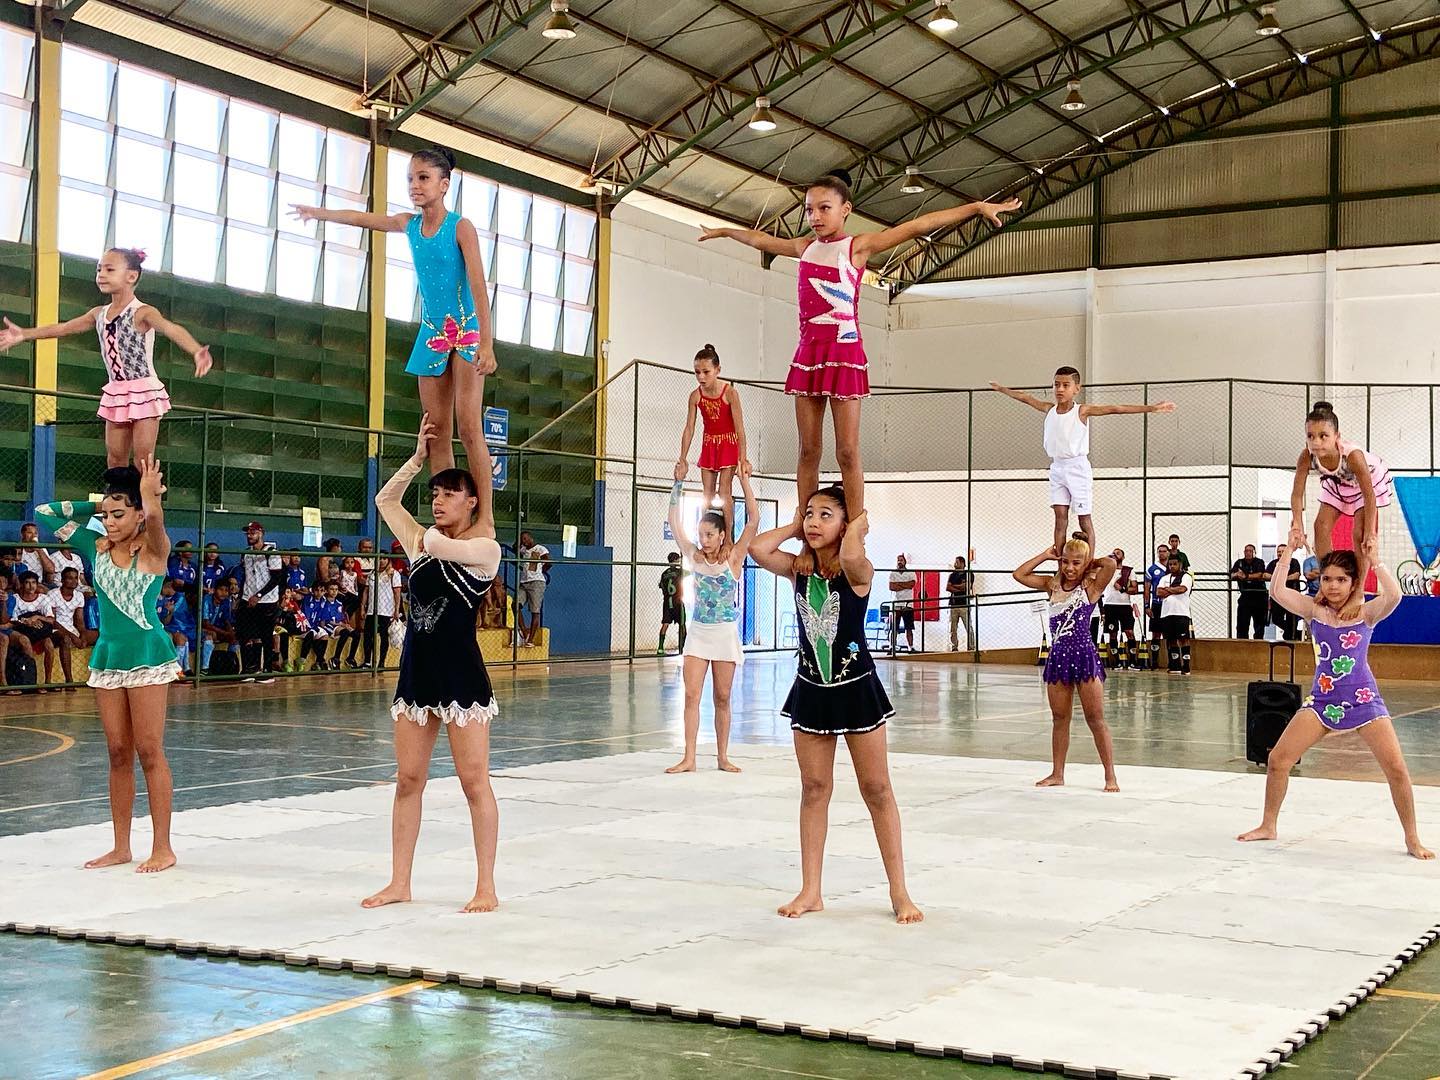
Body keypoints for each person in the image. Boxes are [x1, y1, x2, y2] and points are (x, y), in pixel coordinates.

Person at [701, 172, 1019, 515]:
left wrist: (974, 207)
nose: (816, 217)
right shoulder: (803, 248)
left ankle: (855, 523)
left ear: (845, 209)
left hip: (844, 352)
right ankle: (806, 521)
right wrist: (725, 231)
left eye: (824, 208)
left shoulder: (858, 246)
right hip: (810, 353)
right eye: (809, 210)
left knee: (847, 451)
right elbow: (761, 240)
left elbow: (917, 225)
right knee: (808, 450)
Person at [749, 487, 922, 924]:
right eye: (810, 513)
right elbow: (756, 548)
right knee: (814, 789)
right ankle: (811, 890)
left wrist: (857, 528)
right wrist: (795, 526)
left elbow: (849, 559)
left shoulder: (857, 570)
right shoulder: (798, 570)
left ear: (846, 526)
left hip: (856, 689)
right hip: (811, 690)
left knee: (877, 790)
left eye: (825, 515)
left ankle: (899, 890)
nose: (813, 521)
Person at [364, 413, 503, 914]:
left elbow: (437, 544)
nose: (438, 501)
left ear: (472, 502)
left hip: (462, 677)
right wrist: (418, 459)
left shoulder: (484, 550)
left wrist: (426, 532)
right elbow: (385, 501)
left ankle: (485, 884)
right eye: (435, 494)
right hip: (417, 674)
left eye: (449, 494)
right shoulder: (423, 541)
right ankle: (400, 880)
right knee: (407, 780)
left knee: (473, 781)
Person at [292, 148, 498, 479]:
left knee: (470, 427)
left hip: (466, 331)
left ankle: (484, 515)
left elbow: (478, 288)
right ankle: (445, 516)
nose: (414, 185)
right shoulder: (409, 224)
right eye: (410, 179)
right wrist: (319, 213)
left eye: (423, 178)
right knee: (435, 434)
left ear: (444, 184)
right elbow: (362, 218)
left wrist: (486, 343)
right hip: (433, 334)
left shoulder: (461, 228)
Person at [35, 460, 182, 872]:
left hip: (147, 654)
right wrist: (102, 503)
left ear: (138, 515)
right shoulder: (92, 544)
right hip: (109, 656)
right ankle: (120, 846)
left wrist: (148, 495)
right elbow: (44, 514)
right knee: (118, 751)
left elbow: (154, 520)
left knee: (149, 749)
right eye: (106, 516)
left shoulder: (155, 548)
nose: (109, 522)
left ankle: (163, 848)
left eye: (119, 515)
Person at [1239, 546, 1431, 860]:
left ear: (1353, 583)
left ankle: (1412, 838)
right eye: (1327, 578)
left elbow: (1394, 596)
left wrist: (1377, 560)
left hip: (1363, 700)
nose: (1332, 585)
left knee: (1396, 769)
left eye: (1341, 579)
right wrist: (1288, 552)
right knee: (1278, 760)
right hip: (1323, 701)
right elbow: (1276, 590)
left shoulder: (1366, 613)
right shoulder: (1315, 612)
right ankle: (1268, 825)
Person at [0, 250, 212, 467]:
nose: (101, 274)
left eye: (109, 269)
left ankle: (147, 500)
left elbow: (170, 328)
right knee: (115, 457)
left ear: (131, 276)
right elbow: (64, 328)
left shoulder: (143, 312)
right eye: (99, 269)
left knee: (143, 459)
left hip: (144, 390)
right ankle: (118, 499)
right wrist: (25, 334)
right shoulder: (98, 313)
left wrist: (195, 350)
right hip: (117, 390)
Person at [991, 370, 1174, 556]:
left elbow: (1115, 408)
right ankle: (1062, 562)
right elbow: (1025, 397)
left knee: (1083, 519)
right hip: (1057, 467)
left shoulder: (1081, 411)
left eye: (1065, 385)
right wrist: (1002, 389)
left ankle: (1089, 562)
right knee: (1060, 518)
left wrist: (1151, 408)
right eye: (1056, 384)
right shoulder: (1049, 409)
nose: (1059, 389)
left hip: (1077, 467)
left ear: (1076, 389)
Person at [664, 471, 757, 775]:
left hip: (724, 633)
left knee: (722, 696)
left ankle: (722, 756)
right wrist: (677, 483)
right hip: (699, 632)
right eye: (700, 534)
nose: (702, 540)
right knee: (691, 694)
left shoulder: (733, 559)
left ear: (720, 535)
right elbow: (674, 521)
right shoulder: (693, 556)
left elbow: (753, 521)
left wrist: (745, 481)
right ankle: (689, 757)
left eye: (708, 535)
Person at [1013, 540, 1121, 791]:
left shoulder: (1091, 588)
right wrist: (1046, 554)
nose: (1070, 568)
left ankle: (1110, 775)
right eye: (1065, 562)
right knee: (1060, 717)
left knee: (1095, 718)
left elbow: (1111, 564)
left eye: (1075, 563)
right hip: (1059, 657)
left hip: (1084, 657)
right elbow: (1019, 574)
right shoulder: (1051, 586)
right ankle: (1057, 773)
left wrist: (1088, 564)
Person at [1288, 401, 1392, 561]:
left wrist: (1370, 532)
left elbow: (1369, 495)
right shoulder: (1306, 457)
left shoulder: (1352, 456)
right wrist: (1297, 524)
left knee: (1360, 533)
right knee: (1320, 527)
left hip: (1366, 482)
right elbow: (1297, 495)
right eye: (1310, 436)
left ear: (1337, 436)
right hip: (1338, 481)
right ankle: (1326, 576)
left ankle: (1358, 585)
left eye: (1323, 436)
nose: (1316, 442)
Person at [674, 344, 749, 532]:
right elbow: (689, 428)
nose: (701, 377)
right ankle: (706, 533)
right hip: (709, 444)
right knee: (706, 493)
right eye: (697, 372)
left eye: (706, 372)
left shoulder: (730, 393)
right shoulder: (695, 396)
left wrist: (743, 458)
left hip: (728, 444)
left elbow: (740, 428)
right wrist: (682, 458)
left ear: (718, 370)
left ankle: (728, 537)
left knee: (724, 490)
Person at [237, 521, 285, 680]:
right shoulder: (246, 553)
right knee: (245, 633)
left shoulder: (271, 552)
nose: (250, 535)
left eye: (253, 532)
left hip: (266, 600)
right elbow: (246, 576)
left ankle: (267, 670)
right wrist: (241, 597)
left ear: (261, 533)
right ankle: (250, 668)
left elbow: (277, 578)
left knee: (266, 635)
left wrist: (259, 595)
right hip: (247, 597)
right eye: (248, 533)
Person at [8, 571, 59, 687]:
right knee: (25, 641)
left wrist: (36, 617)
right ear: (21, 584)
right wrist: (27, 622)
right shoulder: (15, 599)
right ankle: (32, 681)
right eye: (27, 583)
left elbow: (51, 620)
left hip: (39, 633)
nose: (31, 586)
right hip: (23, 631)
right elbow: (13, 620)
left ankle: (48, 682)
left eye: (33, 583)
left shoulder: (43, 599)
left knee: (49, 644)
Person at [49, 565, 95, 687]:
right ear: (62, 580)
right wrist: (73, 637)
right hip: (55, 629)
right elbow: (52, 621)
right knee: (65, 640)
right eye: (70, 578)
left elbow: (79, 620)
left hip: (71, 628)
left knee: (100, 635)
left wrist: (83, 636)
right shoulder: (53, 594)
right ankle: (69, 680)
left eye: (75, 578)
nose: (74, 581)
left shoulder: (79, 596)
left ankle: (99, 675)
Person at [358, 555, 402, 668]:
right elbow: (366, 592)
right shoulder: (372, 574)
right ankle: (367, 661)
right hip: (372, 610)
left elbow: (397, 593)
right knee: (368, 636)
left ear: (388, 560)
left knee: (383, 636)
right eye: (379, 558)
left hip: (386, 610)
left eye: (384, 558)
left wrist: (396, 610)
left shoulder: (394, 574)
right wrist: (363, 607)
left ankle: (381, 662)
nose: (381, 561)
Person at [1100, 548, 1139, 669]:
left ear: (1123, 556)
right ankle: (1116, 661)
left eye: (1118, 553)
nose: (1115, 555)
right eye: (1113, 553)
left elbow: (1135, 589)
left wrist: (1122, 589)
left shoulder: (1128, 571)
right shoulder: (1106, 571)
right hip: (1109, 605)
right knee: (1112, 633)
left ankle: (1133, 661)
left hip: (1124, 606)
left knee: (1129, 632)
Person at [1156, 554, 1195, 675]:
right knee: (1171, 639)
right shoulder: (1164, 578)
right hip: (1167, 613)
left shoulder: (1186, 577)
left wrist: (1167, 590)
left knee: (1183, 639)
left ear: (1180, 565)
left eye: (1175, 564)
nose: (1172, 566)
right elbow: (1158, 592)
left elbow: (1182, 589)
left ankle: (1186, 666)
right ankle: (1175, 665)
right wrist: (1172, 590)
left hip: (1181, 612)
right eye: (1170, 564)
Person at [155, 578, 196, 679]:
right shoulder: (153, 598)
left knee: (184, 638)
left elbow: (165, 622)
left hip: (162, 627)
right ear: (167, 586)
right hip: (153, 629)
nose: (174, 593)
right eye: (174, 590)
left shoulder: (165, 600)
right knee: (180, 638)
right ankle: (176, 671)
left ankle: (185, 668)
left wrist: (170, 612)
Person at [516, 531, 550, 649]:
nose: (524, 541)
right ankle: (525, 631)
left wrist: (541, 570)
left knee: (535, 610)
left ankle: (530, 640)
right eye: (522, 539)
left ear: (531, 538)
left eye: (525, 538)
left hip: (536, 582)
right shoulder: (523, 550)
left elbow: (548, 562)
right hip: (524, 582)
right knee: (515, 605)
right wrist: (519, 543)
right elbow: (515, 548)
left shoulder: (540, 548)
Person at [1231, 543, 1268, 640]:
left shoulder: (1259, 562)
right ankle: (1242, 647)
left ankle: (1259, 646)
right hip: (1245, 596)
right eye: (1246, 551)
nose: (1248, 553)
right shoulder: (1239, 562)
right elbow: (1232, 574)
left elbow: (1260, 574)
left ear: (1254, 552)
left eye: (1250, 551)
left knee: (1259, 625)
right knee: (1242, 625)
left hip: (1259, 597)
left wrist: (1246, 576)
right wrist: (1238, 575)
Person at [1142, 542, 1171, 669]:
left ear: (1168, 553)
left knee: (1169, 634)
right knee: (1155, 633)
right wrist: (1147, 606)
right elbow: (1147, 589)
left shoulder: (1173, 568)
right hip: (1157, 604)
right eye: (1160, 551)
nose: (1162, 553)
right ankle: (1154, 661)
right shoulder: (1152, 569)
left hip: (1169, 605)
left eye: (1164, 551)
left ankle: (1172, 661)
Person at [200, 579, 238, 673]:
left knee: (234, 640)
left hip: (218, 630)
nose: (223, 593)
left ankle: (230, 666)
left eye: (226, 590)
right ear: (214, 590)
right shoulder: (207, 599)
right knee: (210, 636)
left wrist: (230, 633)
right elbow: (206, 623)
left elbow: (227, 621)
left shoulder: (226, 602)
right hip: (200, 629)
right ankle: (204, 669)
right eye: (221, 589)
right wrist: (225, 633)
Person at [1265, 550, 1303, 641]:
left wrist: (1279, 579)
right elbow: (1266, 575)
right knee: (1276, 619)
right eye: (1278, 551)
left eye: (1282, 551)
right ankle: (1293, 632)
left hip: (1291, 595)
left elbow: (1296, 575)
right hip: (1277, 595)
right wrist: (1282, 579)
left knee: (1292, 617)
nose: (1280, 553)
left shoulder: (1294, 561)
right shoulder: (1273, 563)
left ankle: (1292, 636)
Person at [657, 552, 687, 655]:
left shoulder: (664, 574)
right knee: (682, 624)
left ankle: (660, 648)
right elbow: (691, 573)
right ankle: (683, 647)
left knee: (665, 624)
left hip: (667, 602)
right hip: (678, 601)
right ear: (676, 561)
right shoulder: (680, 572)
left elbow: (661, 585)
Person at [887, 554, 917, 652]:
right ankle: (892, 647)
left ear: (905, 562)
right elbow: (891, 587)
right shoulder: (893, 573)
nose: (900, 562)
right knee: (894, 627)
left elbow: (911, 584)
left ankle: (910, 647)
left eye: (901, 560)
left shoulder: (911, 573)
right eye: (898, 560)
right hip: (896, 604)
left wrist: (898, 584)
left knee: (909, 627)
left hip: (907, 604)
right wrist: (905, 585)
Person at [947, 553, 974, 651]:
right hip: (954, 604)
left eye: (957, 562)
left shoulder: (968, 574)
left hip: (964, 604)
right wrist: (960, 588)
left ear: (962, 563)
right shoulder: (952, 575)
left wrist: (954, 586)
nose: (955, 564)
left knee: (968, 627)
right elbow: (948, 587)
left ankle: (971, 647)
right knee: (953, 628)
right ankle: (954, 647)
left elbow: (966, 586)